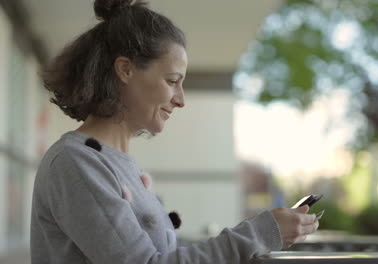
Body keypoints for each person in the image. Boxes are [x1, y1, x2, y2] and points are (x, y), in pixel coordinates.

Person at [29, 0, 320, 263]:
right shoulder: (76, 163)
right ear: (125, 70)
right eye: (172, 80)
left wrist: (262, 233)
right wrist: (257, 234)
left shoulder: (118, 164)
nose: (180, 99)